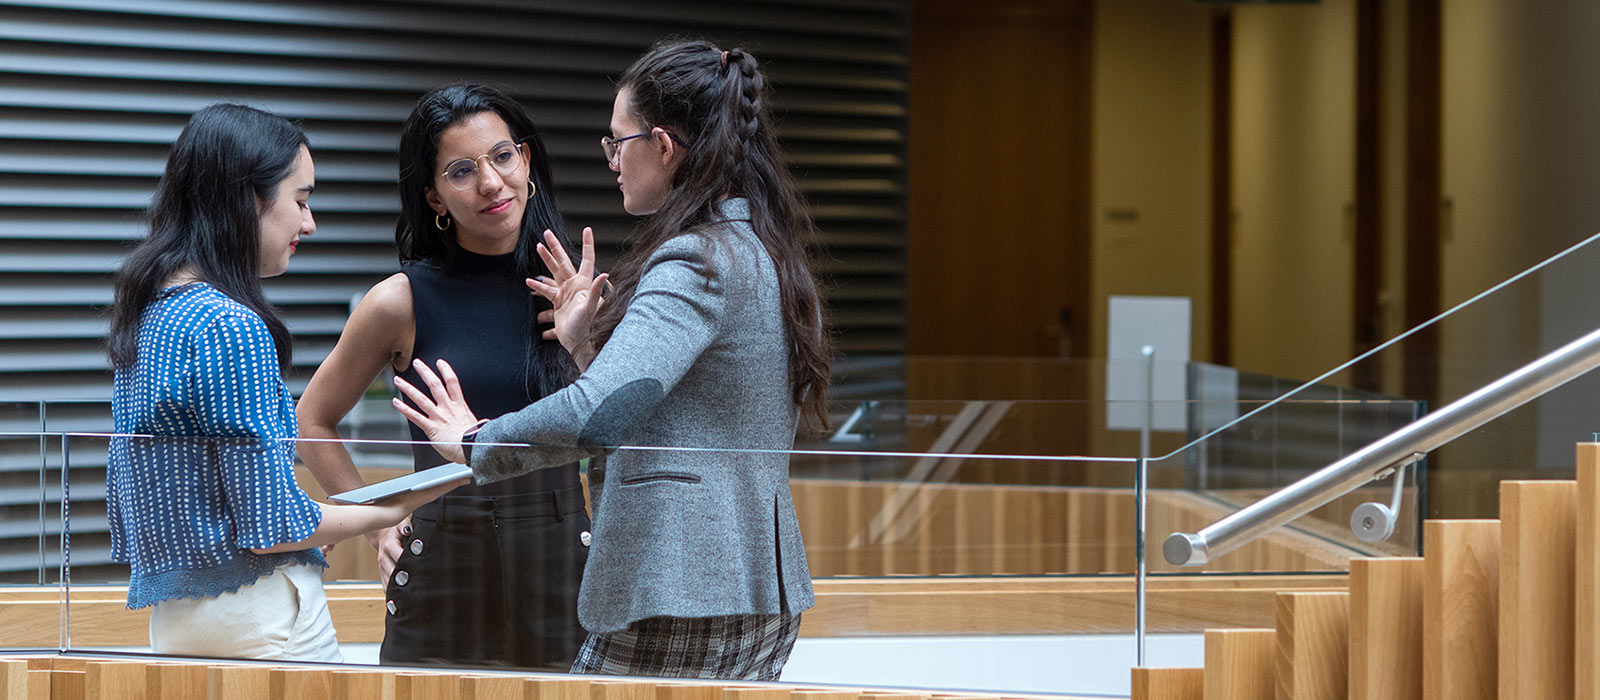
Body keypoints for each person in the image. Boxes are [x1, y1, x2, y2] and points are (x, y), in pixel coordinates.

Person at [394, 40, 833, 681]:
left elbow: (600, 412)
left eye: (617, 143)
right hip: (747, 583)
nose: (612, 163)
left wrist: (474, 440)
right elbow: (674, 404)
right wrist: (580, 345)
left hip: (682, 583)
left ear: (662, 144)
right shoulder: (756, 243)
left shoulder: (694, 258)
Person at [105, 103, 463, 661]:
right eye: (300, 199)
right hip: (262, 617)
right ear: (247, 198)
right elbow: (273, 523)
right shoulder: (228, 323)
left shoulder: (152, 311)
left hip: (179, 620)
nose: (309, 222)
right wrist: (396, 507)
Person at [296, 83, 590, 670]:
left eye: (503, 156)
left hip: (563, 555)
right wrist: (378, 522)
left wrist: (584, 335)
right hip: (444, 554)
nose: (491, 183)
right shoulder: (399, 301)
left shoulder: (574, 287)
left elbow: (612, 419)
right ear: (433, 195)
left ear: (526, 161)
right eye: (461, 171)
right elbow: (312, 419)